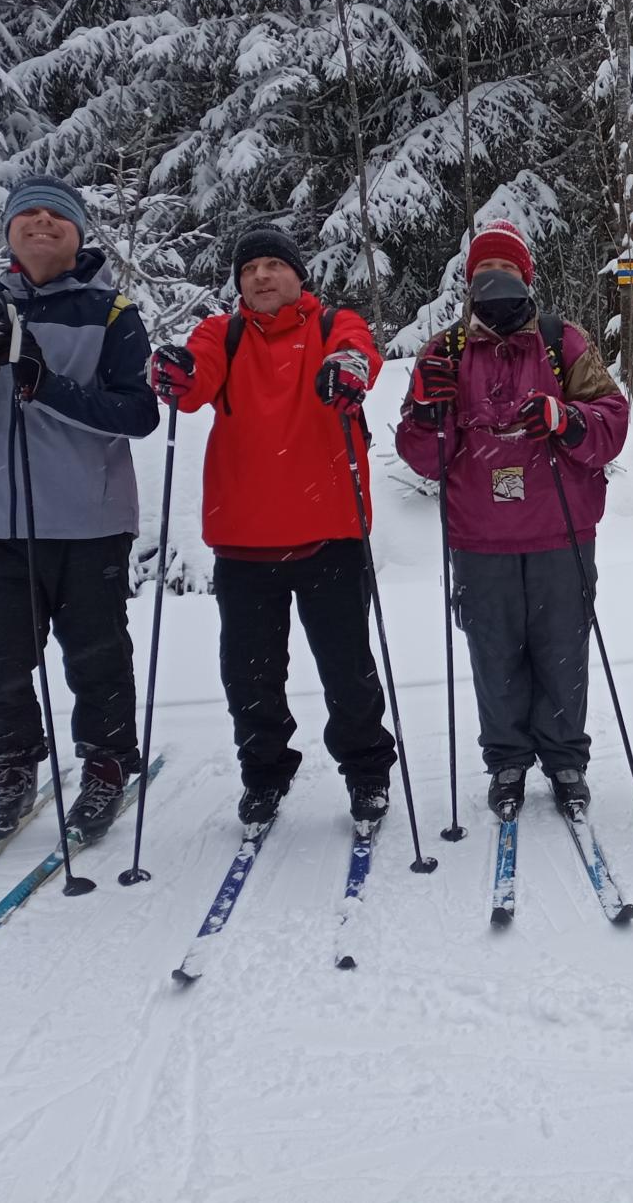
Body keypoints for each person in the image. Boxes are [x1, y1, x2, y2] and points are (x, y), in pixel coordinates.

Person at [0, 176, 159, 842]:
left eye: (58, 216)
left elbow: (138, 413)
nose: (42, 225)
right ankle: (11, 768)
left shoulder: (112, 310)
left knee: (97, 658)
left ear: (79, 233)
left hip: (91, 521)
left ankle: (106, 766)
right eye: (29, 216)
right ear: (10, 233)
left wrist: (48, 387)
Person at [147, 229, 397, 829]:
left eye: (274, 265)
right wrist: (175, 371)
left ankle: (367, 774)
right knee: (249, 675)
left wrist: (349, 367)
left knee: (348, 669)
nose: (261, 276)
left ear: (298, 275)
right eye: (250, 268)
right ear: (238, 283)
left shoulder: (333, 324)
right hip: (244, 541)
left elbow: (360, 351)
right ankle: (263, 775)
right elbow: (194, 380)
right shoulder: (221, 334)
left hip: (329, 533)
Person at [395, 220, 630, 820]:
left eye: (504, 273)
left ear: (526, 278)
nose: (493, 284)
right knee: (493, 655)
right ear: (469, 285)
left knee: (562, 652)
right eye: (481, 276)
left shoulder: (563, 342)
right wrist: (425, 411)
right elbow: (425, 457)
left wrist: (565, 418)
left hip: (561, 531)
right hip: (480, 535)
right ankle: (506, 762)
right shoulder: (444, 351)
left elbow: (612, 422)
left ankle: (564, 761)